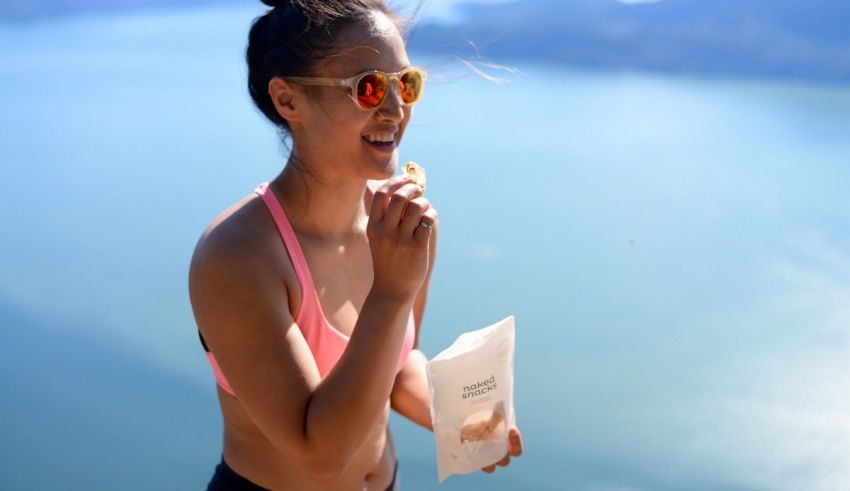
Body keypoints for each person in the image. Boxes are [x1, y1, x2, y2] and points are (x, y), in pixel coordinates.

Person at [188, 1, 523, 489]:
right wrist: (390, 292)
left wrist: (458, 419)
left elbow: (397, 363)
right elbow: (318, 455)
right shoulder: (238, 254)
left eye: (405, 84)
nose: (395, 110)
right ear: (287, 100)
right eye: (368, 87)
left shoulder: (400, 226)